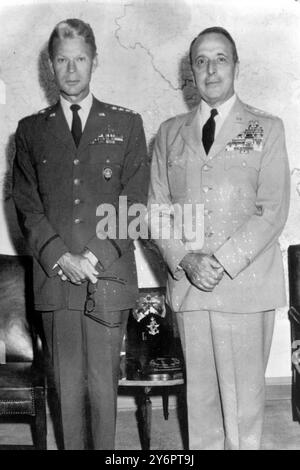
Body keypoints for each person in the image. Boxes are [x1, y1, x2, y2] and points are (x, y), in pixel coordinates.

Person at [148, 26, 290, 450]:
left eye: (220, 59)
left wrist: (222, 261)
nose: (211, 70)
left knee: (244, 410)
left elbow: (273, 210)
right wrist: (187, 260)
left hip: (245, 288)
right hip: (191, 290)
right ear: (191, 71)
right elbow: (155, 209)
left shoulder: (267, 128)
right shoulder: (169, 133)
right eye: (201, 61)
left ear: (236, 66)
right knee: (203, 406)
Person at [13, 18, 149, 450]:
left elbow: (134, 203)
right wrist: (60, 257)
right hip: (55, 281)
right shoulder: (31, 130)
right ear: (50, 66)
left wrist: (90, 258)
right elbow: (27, 205)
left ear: (95, 62)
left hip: (107, 278)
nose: (72, 69)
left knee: (103, 391)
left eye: (80, 59)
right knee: (66, 393)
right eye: (62, 60)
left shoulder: (126, 125)